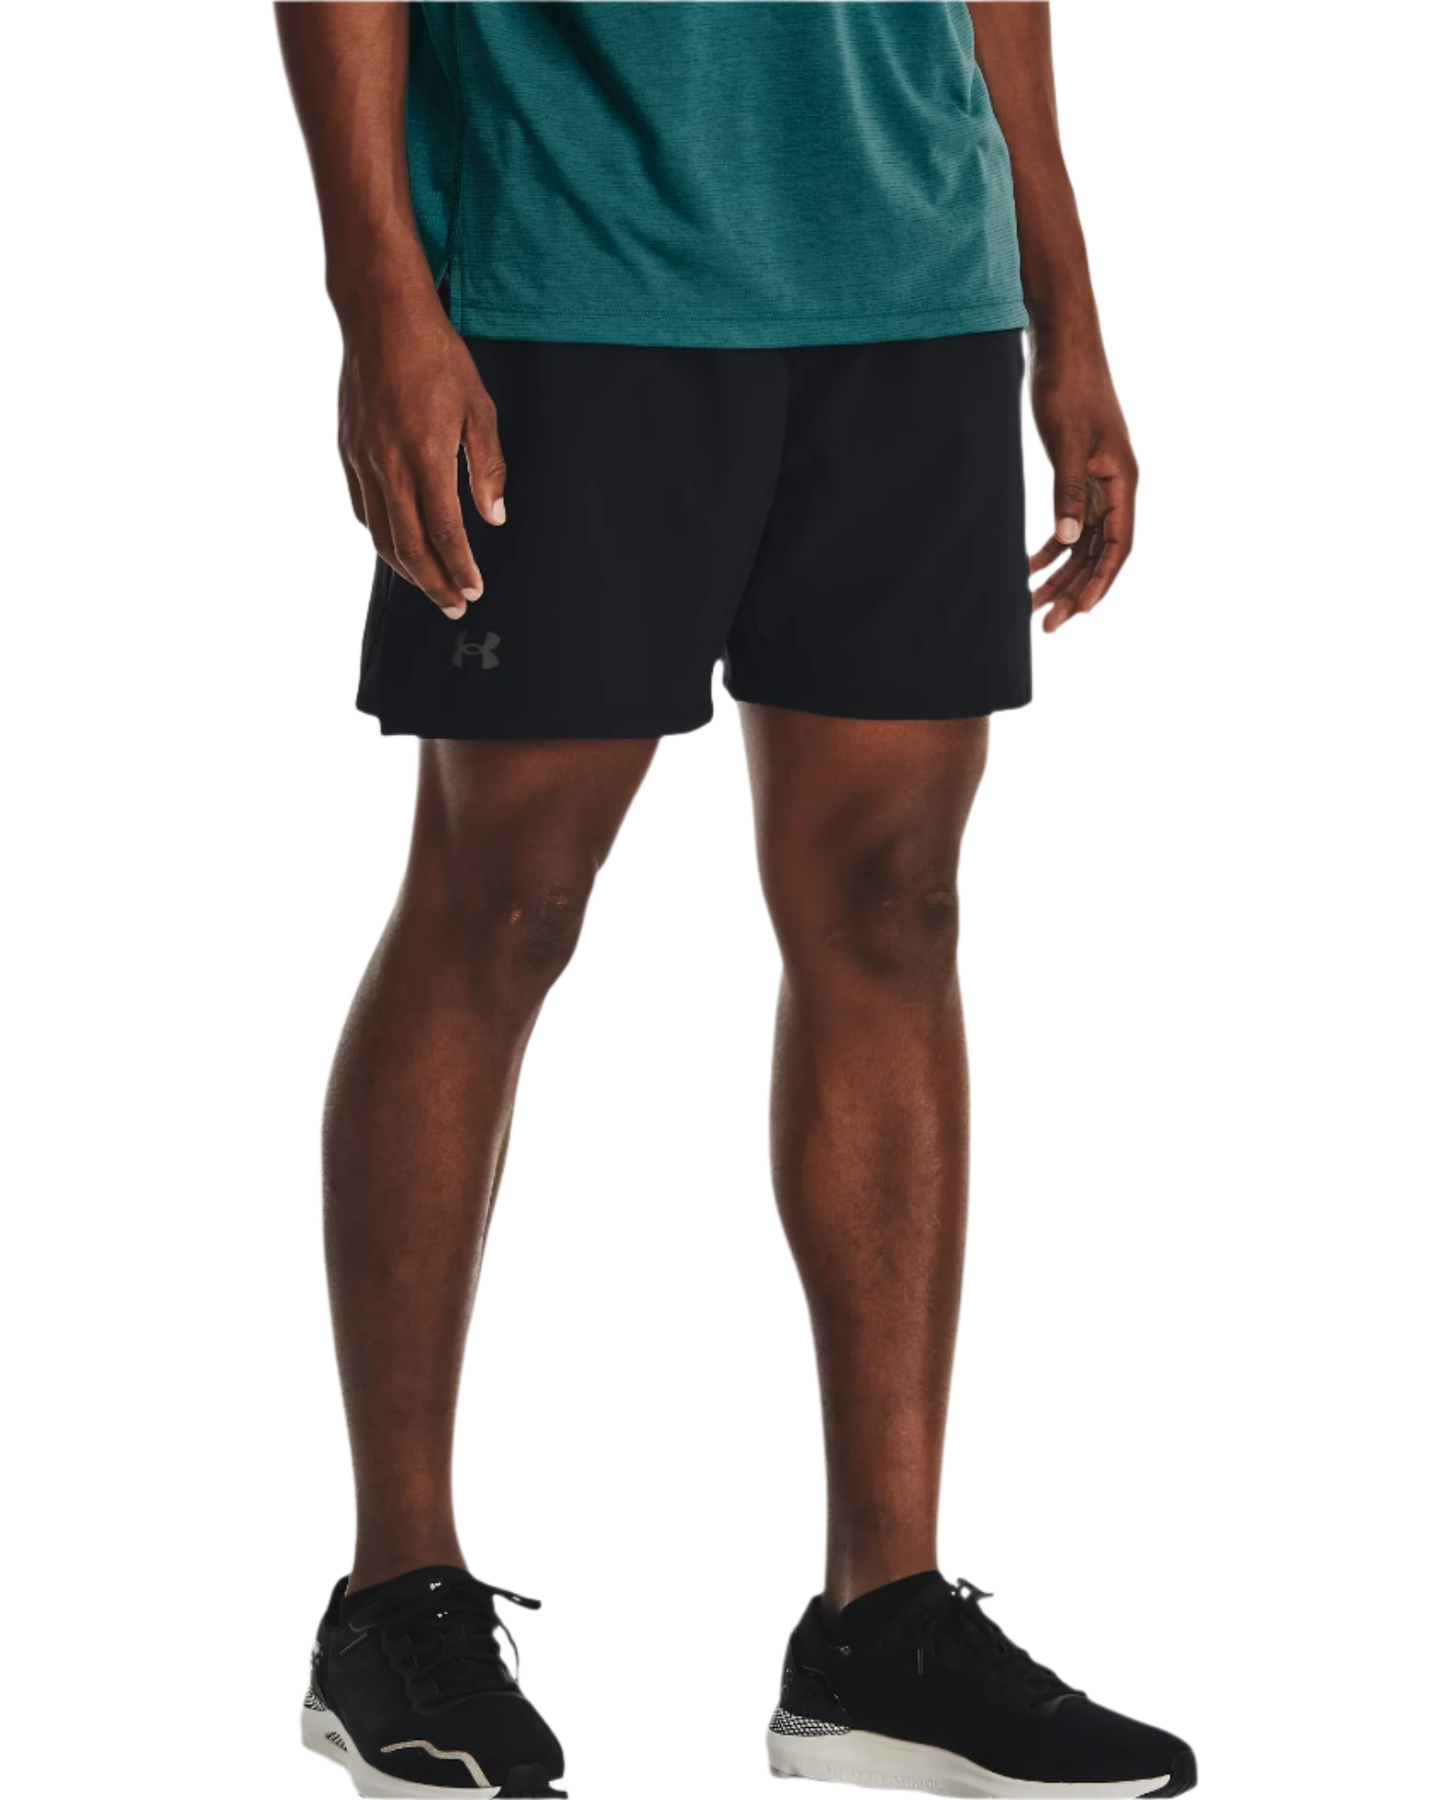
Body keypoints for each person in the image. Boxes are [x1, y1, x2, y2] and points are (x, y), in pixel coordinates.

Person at [271, 1, 1196, 1795]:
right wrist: (379, 300)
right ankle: (393, 1594)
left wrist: (1066, 306)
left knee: (893, 907)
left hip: (916, 285)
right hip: (569, 271)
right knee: (501, 903)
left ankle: (882, 1625)